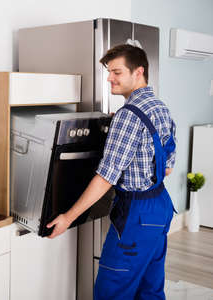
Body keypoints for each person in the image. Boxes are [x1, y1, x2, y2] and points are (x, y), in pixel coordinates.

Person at [46, 44, 177, 299]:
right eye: (109, 72)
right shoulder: (160, 108)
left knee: (111, 291)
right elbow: (168, 168)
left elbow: (106, 177)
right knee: (150, 288)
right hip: (160, 207)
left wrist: (68, 217)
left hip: (136, 213)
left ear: (138, 72)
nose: (109, 78)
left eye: (116, 72)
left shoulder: (128, 116)